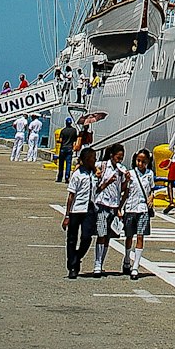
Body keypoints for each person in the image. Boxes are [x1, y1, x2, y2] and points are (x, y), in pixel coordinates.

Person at [61, 146, 97, 278]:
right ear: (85, 160)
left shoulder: (95, 174)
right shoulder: (77, 175)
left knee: (87, 237)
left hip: (90, 209)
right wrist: (67, 215)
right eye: (92, 159)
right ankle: (72, 266)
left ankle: (77, 257)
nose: (94, 161)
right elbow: (71, 196)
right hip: (77, 209)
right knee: (72, 239)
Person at [92, 144, 127, 276]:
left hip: (114, 205)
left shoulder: (121, 170)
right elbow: (97, 185)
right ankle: (97, 262)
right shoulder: (102, 165)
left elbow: (122, 189)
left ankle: (102, 262)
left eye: (122, 158)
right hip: (102, 203)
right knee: (101, 234)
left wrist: (126, 180)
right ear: (112, 155)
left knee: (108, 236)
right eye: (118, 157)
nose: (120, 160)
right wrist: (106, 180)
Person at [121, 149, 156, 280]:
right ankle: (126, 259)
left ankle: (135, 266)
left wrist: (152, 197)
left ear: (148, 162)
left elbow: (152, 189)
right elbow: (124, 190)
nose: (140, 164)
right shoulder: (130, 173)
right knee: (129, 236)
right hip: (130, 207)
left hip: (143, 209)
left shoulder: (149, 174)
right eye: (138, 161)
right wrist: (119, 208)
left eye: (143, 161)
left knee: (140, 236)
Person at [56, 117, 77, 184]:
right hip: (70, 148)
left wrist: (58, 141)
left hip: (63, 148)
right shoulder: (74, 130)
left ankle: (59, 177)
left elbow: (61, 140)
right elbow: (74, 141)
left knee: (61, 164)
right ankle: (67, 176)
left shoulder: (63, 131)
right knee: (68, 164)